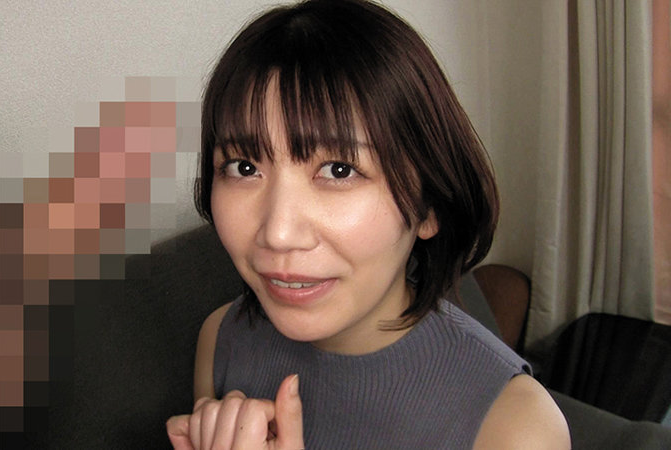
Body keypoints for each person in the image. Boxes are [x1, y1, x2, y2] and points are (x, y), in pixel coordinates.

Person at [166, 0, 570, 448]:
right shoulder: (222, 339)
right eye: (244, 167)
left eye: (339, 170)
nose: (278, 233)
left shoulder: (516, 427)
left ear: (428, 206)